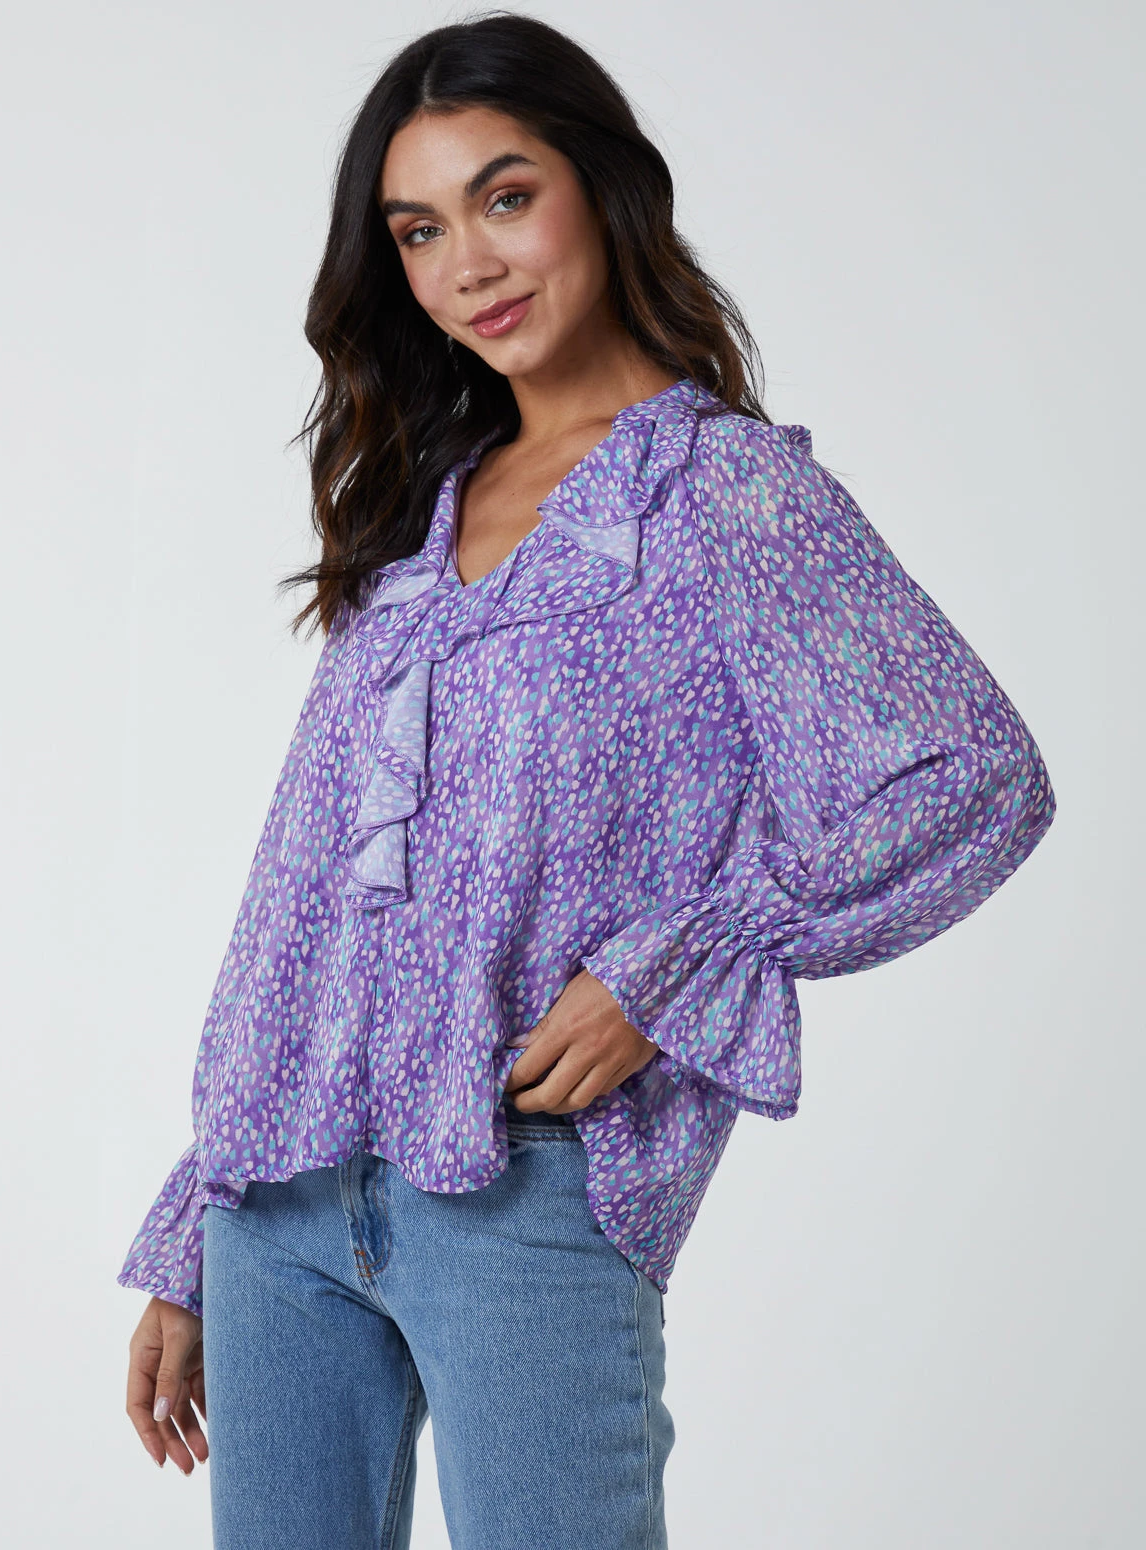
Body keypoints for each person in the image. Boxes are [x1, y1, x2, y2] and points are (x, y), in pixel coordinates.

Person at [119, 12, 1056, 1549]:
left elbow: (975, 776)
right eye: (420, 230)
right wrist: (195, 1211)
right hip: (277, 1210)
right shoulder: (411, 516)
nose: (468, 265)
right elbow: (303, 891)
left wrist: (674, 968)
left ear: (603, 190)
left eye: (505, 197)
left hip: (526, 1188)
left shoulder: (725, 492)